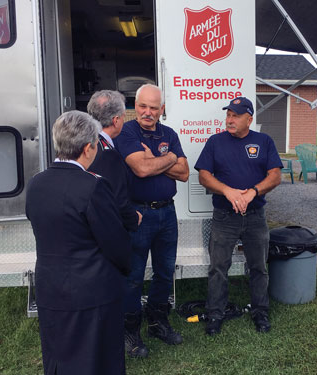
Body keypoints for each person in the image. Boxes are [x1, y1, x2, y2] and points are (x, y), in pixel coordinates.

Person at [26, 111, 132, 375]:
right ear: (88, 148)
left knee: (58, 357)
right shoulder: (93, 186)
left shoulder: (36, 184)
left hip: (51, 288)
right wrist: (127, 266)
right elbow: (115, 242)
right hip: (92, 292)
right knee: (97, 360)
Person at [194, 97, 282, 336]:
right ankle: (215, 314)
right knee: (218, 267)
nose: (230, 120)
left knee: (258, 267)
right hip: (224, 216)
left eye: (236, 115)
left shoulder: (263, 141)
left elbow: (275, 175)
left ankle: (260, 311)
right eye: (228, 115)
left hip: (255, 215)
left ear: (249, 119)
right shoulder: (215, 142)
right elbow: (203, 175)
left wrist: (253, 192)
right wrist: (228, 191)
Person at [115, 84, 189, 357]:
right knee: (133, 276)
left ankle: (158, 322)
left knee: (165, 272)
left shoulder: (168, 133)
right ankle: (130, 331)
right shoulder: (127, 131)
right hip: (138, 214)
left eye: (153, 108)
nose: (147, 112)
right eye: (143, 106)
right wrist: (170, 157)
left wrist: (157, 157)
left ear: (162, 109)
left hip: (167, 213)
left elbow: (184, 173)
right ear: (136, 105)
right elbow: (142, 169)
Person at [87, 90, 142, 231]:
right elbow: (118, 199)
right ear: (116, 120)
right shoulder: (108, 154)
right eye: (123, 117)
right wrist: (134, 219)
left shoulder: (85, 144)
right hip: (106, 228)